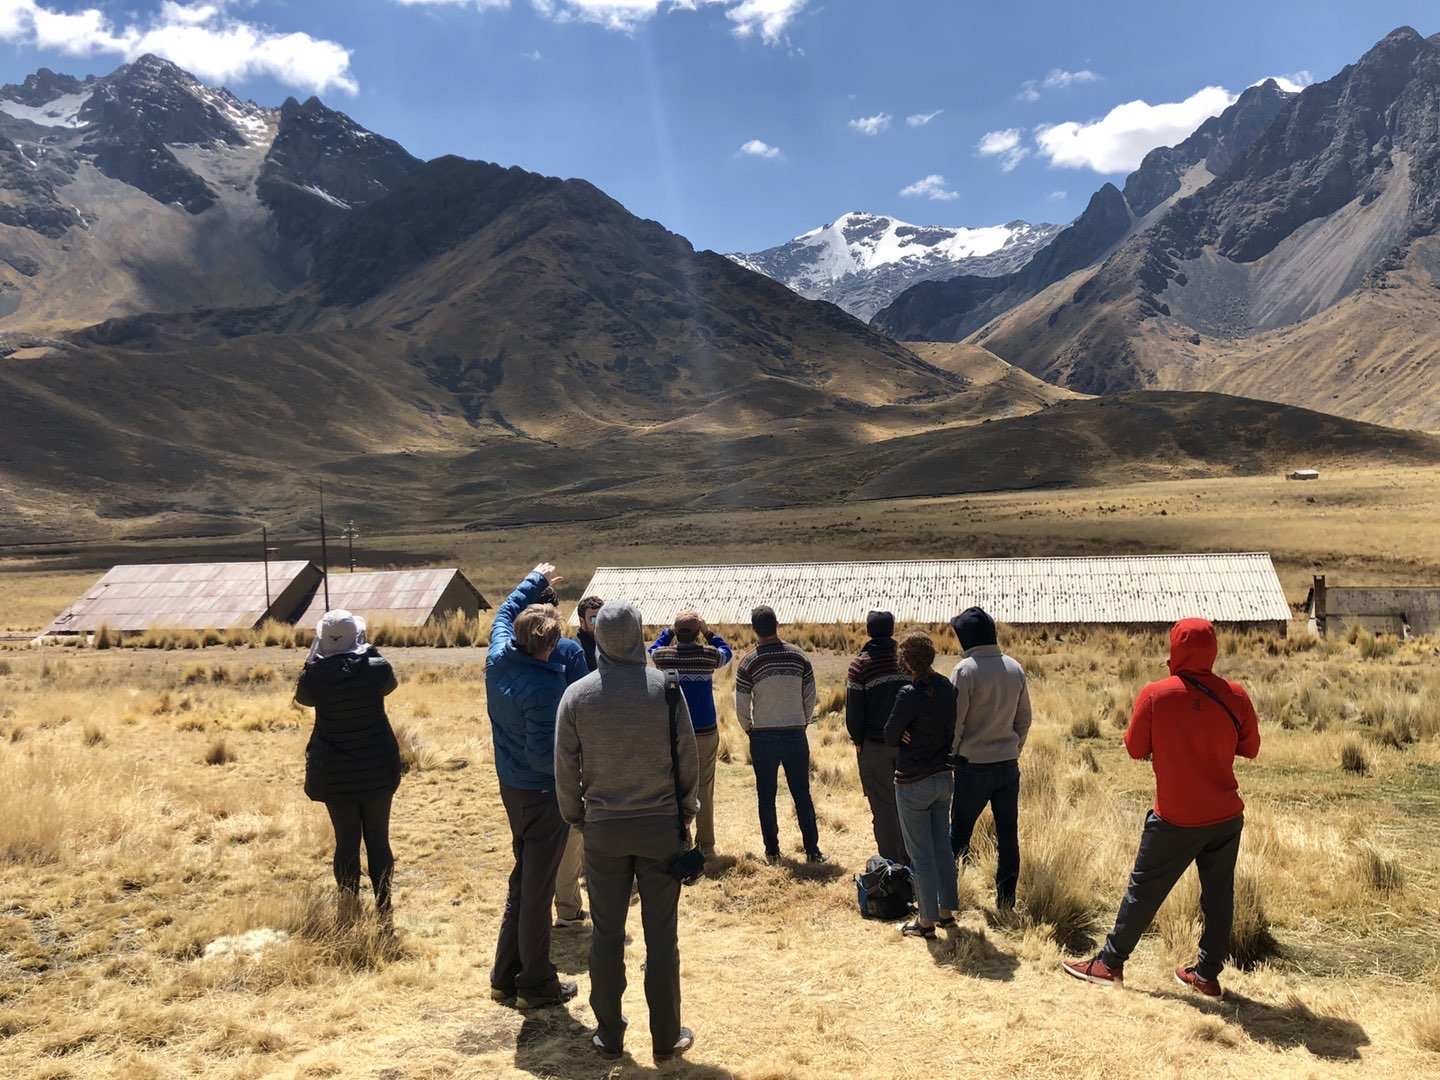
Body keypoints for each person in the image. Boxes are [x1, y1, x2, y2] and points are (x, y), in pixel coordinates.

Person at [1064, 618, 1261, 997]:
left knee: (1144, 890)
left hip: (1176, 815)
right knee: (1219, 896)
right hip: (1224, 815)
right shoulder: (1235, 694)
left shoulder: (1156, 694)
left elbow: (1135, 748)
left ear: (1175, 648)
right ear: (1213, 649)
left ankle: (1109, 963)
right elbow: (1249, 748)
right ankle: (1206, 974)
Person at [555, 601, 700, 1063]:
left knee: (606, 934)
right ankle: (665, 1035)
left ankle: (609, 1034)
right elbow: (688, 758)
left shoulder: (577, 696)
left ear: (597, 637)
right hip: (660, 829)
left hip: (603, 831)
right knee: (661, 936)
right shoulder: (666, 690)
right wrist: (687, 814)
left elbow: (564, 767)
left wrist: (576, 815)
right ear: (638, 635)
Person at [487, 563, 580, 1010]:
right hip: (542, 794)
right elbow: (545, 758)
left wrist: (535, 579)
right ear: (550, 645)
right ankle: (537, 982)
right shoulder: (544, 689)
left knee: (524, 881)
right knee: (537, 888)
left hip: (512, 788)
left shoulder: (499, 656)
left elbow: (504, 612)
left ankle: (505, 976)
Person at [296, 610, 402, 929]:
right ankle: (383, 906)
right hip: (377, 768)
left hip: (335, 770)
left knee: (346, 841)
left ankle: (348, 906)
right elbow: (390, 684)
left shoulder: (315, 675)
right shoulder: (376, 667)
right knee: (378, 839)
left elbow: (303, 697)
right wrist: (366, 648)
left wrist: (314, 657)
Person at [949, 606, 1032, 912]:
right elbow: (1024, 718)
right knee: (1007, 834)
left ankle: (950, 897)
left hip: (972, 766)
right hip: (1007, 765)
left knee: (959, 832)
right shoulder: (1015, 667)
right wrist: (1014, 749)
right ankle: (1006, 900)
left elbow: (954, 722)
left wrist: (951, 755)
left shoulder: (964, 670)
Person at [735, 605, 824, 864]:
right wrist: (803, 721)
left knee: (766, 795)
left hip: (763, 736)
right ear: (777, 624)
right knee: (802, 793)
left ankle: (772, 851)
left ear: (754, 629)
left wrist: (749, 727)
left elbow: (741, 702)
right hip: (795, 732)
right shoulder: (798, 657)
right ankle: (812, 850)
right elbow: (810, 695)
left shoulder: (750, 661)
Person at [885, 632, 958, 939]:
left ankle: (925, 921)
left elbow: (890, 734)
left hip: (913, 780)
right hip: (943, 776)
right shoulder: (945, 687)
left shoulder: (908, 694)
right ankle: (945, 912)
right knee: (942, 845)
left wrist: (902, 732)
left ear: (906, 661)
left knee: (920, 853)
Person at [649, 610, 733, 858]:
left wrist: (668, 633)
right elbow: (727, 653)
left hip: (673, 730)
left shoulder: (664, 657)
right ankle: (706, 845)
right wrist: (709, 633)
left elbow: (651, 650)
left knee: (674, 785)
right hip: (704, 730)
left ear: (677, 632)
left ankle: (678, 840)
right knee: (704, 787)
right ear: (697, 633)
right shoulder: (708, 655)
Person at [552, 595, 601, 930]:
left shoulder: (611, 646)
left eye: (601, 616)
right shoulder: (575, 650)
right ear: (581, 619)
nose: (596, 622)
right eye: (591, 617)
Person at [846, 610, 910, 865]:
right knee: (908, 803)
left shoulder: (860, 664)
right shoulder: (906, 661)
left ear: (868, 631)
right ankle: (911, 858)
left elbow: (854, 710)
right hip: (908, 744)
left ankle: (891, 865)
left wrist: (857, 739)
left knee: (883, 807)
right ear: (892, 629)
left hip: (875, 745)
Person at [575, 595, 604, 672]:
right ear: (582, 621)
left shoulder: (609, 643)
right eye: (593, 619)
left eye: (601, 617)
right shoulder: (577, 650)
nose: (598, 622)